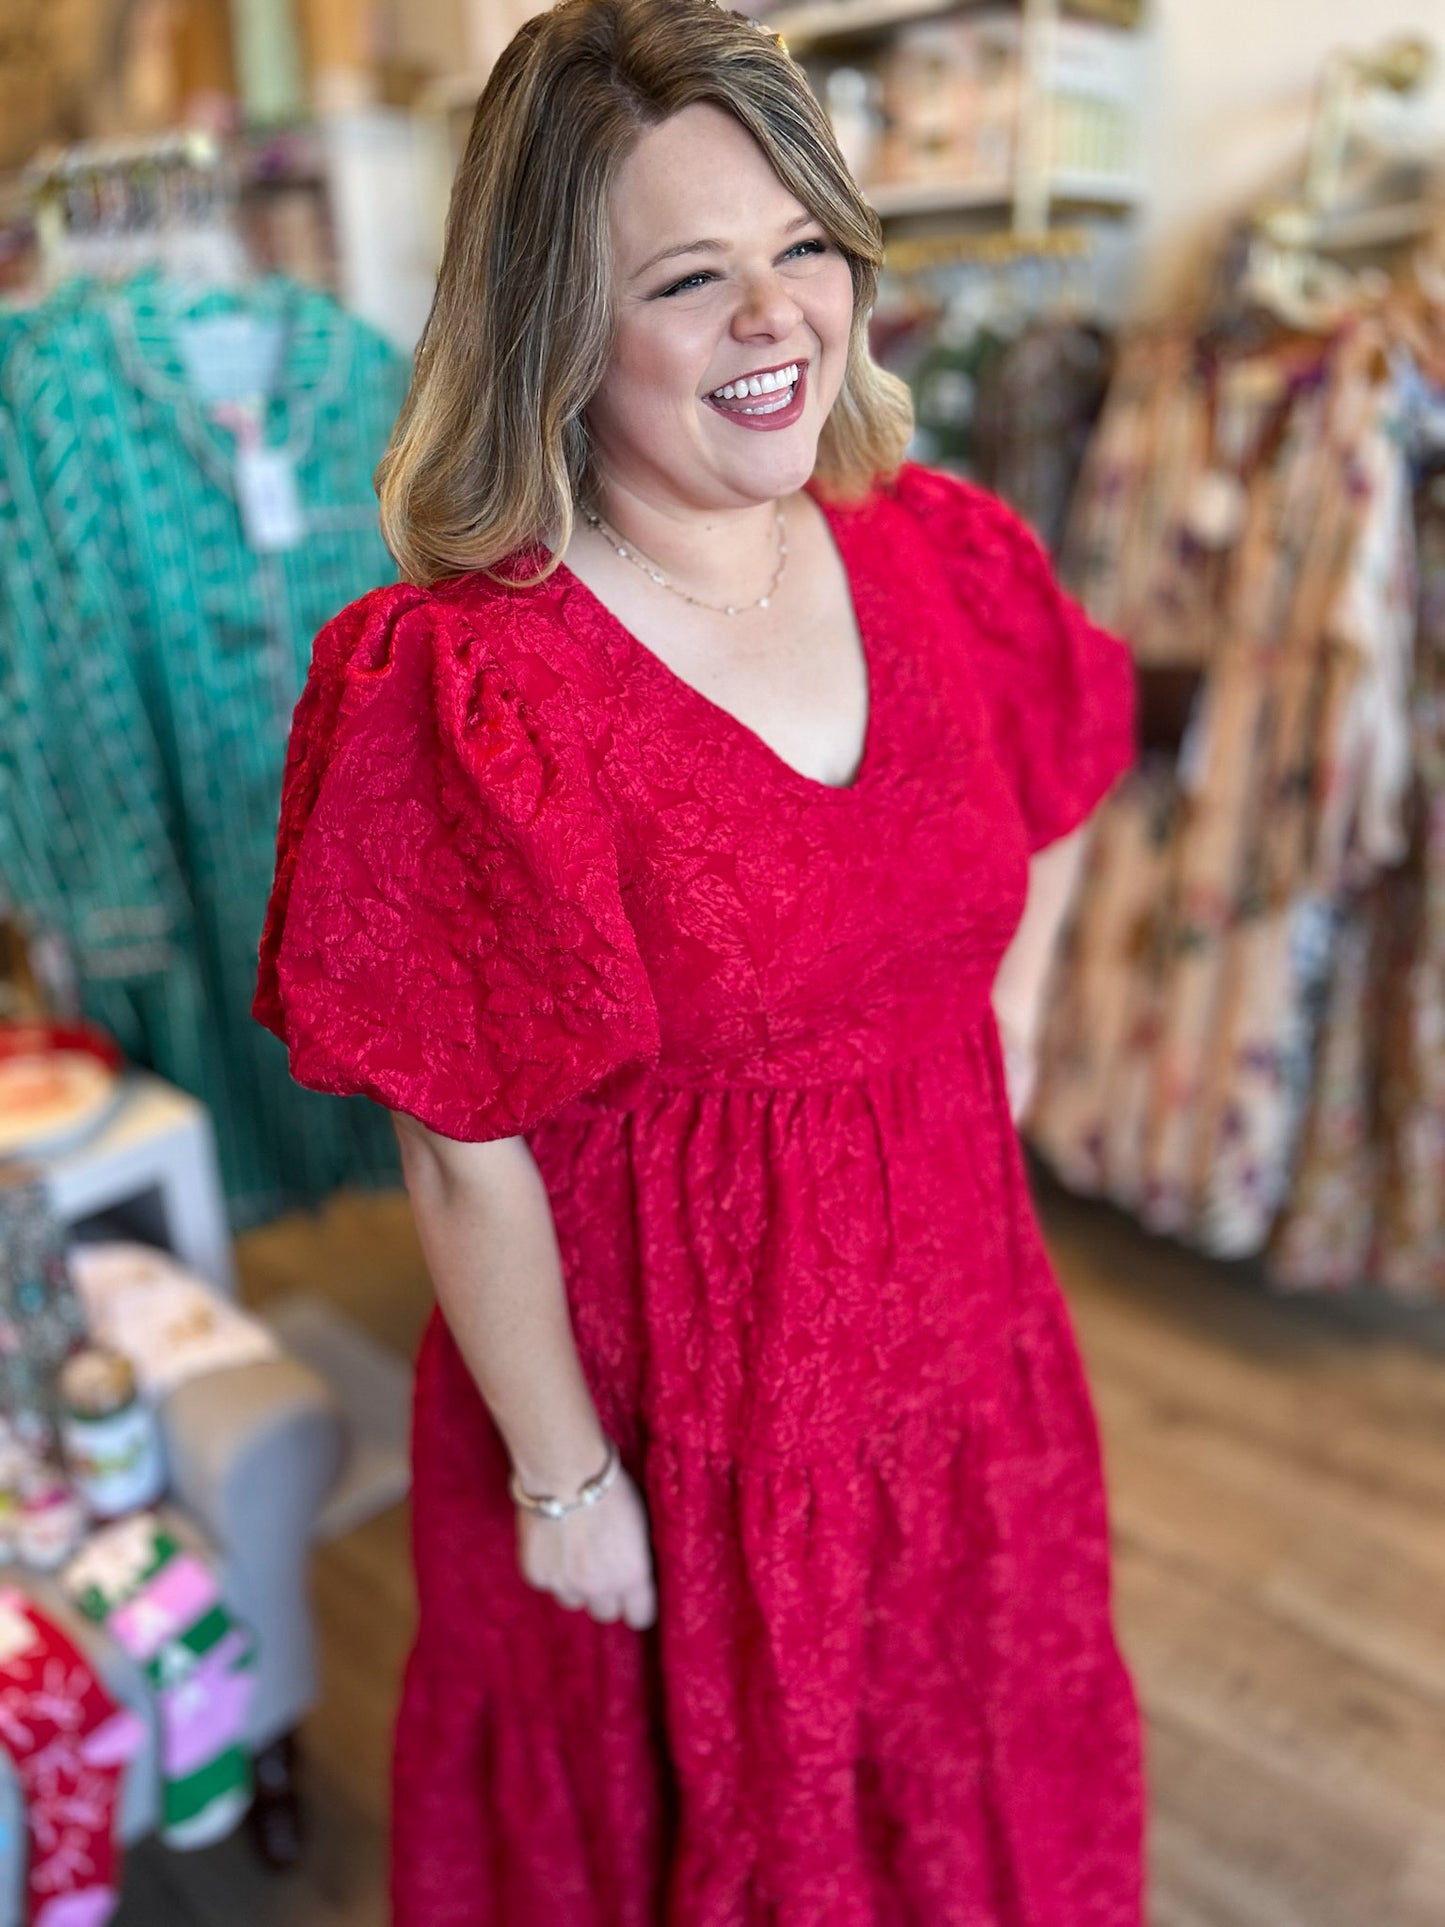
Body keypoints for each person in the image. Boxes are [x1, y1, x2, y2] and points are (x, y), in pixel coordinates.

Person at [254, 0, 1145, 1918]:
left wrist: (994, 1027)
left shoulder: (935, 548)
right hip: (675, 1419)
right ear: (558, 329)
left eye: (802, 246)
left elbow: (1065, 772)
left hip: (960, 1342)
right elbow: (454, 1143)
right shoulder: (470, 687)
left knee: (957, 1769)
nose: (778, 320)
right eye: (690, 277)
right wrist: (564, 1480)